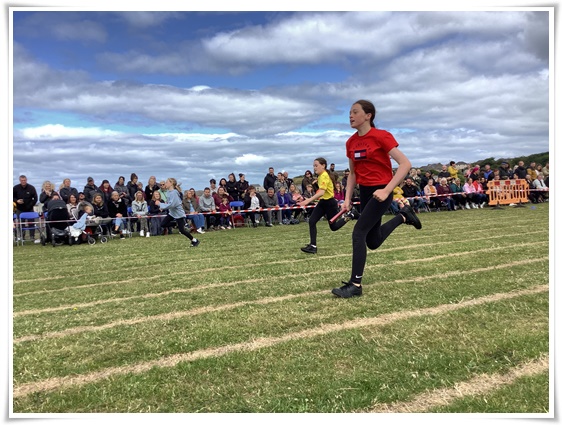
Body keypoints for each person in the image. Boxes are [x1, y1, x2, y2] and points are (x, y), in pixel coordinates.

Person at [332, 99, 421, 298]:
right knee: (372, 241)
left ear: (368, 115)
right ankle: (404, 216)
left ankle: (355, 284)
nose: (351, 116)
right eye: (349, 112)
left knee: (358, 232)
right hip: (365, 192)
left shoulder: (381, 136)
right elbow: (353, 174)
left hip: (382, 191)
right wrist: (347, 199)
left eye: (355, 112)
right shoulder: (350, 142)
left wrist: (387, 190)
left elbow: (405, 164)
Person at [298, 157, 350, 254]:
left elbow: (321, 192)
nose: (314, 168)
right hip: (323, 202)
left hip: (330, 203)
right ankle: (313, 246)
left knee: (333, 227)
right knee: (312, 221)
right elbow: (321, 192)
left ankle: (350, 216)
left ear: (323, 166)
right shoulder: (321, 176)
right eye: (314, 166)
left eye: (316, 165)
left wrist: (308, 200)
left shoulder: (324, 176)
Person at [154, 178, 200, 247]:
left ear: (171, 183)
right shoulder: (168, 192)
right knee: (163, 224)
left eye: (167, 182)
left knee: (182, 231)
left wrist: (160, 204)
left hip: (179, 214)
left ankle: (194, 240)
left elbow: (172, 205)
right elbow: (169, 202)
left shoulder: (174, 193)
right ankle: (176, 224)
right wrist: (164, 204)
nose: (165, 184)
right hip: (172, 213)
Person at [13, 175, 39, 242]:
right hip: (19, 209)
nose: (23, 181)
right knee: (21, 224)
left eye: (24, 180)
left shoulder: (31, 188)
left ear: (26, 180)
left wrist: (30, 205)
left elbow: (35, 198)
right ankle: (22, 237)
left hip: (29, 209)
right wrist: (17, 201)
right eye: (22, 180)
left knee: (31, 223)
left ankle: (32, 237)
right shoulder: (15, 188)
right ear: (20, 180)